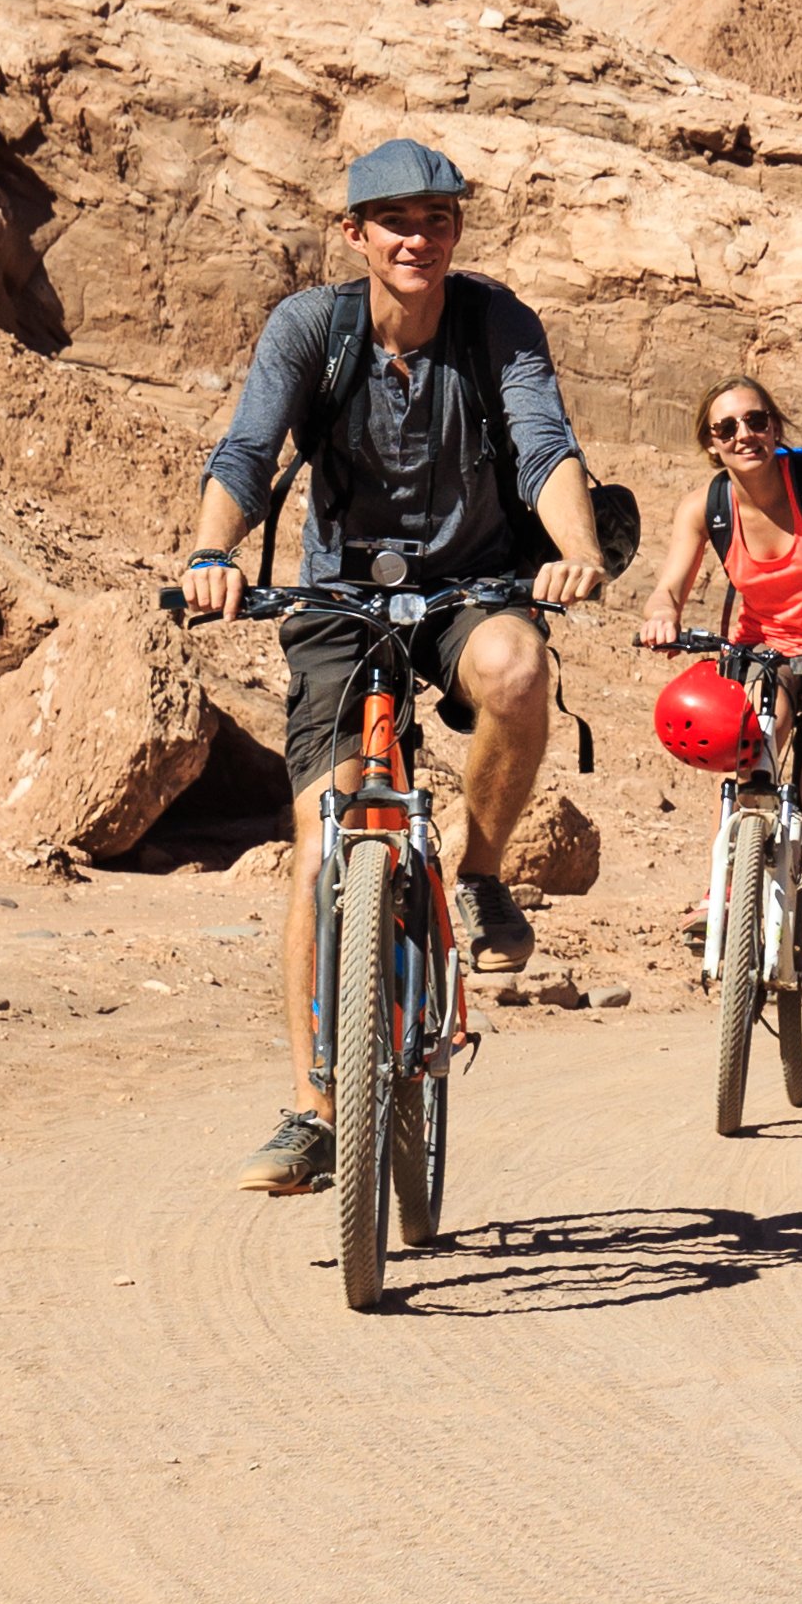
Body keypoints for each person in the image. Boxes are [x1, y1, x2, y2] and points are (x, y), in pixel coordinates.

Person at [182, 138, 611, 1197]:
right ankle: (314, 1111)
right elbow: (248, 448)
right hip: (336, 598)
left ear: (456, 230)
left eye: (438, 220)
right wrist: (209, 553)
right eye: (396, 222)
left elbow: (544, 444)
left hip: (469, 589)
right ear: (355, 234)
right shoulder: (310, 328)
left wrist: (579, 549)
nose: (419, 238)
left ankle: (475, 877)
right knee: (322, 832)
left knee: (517, 673)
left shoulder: (497, 321)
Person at [631, 378, 802, 1040]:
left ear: (774, 426)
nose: (742, 435)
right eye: (725, 428)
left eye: (754, 420)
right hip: (764, 653)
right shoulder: (707, 504)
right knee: (746, 747)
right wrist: (662, 609)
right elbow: (671, 580)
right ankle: (732, 884)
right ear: (711, 443)